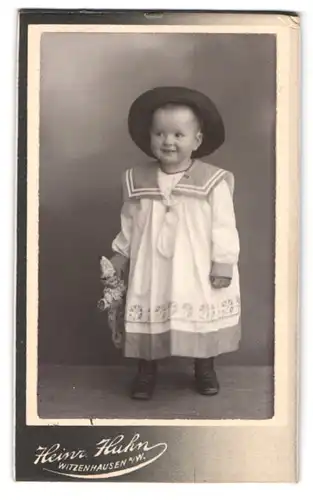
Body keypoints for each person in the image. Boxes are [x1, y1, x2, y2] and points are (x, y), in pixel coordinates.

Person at [110, 86, 241, 400]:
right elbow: (129, 221)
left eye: (178, 135)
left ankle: (204, 367)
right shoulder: (136, 180)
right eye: (160, 134)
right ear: (149, 138)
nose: (168, 141)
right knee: (147, 307)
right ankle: (146, 372)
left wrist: (223, 263)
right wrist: (119, 255)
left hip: (195, 265)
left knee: (200, 310)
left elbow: (224, 227)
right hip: (151, 265)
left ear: (197, 140)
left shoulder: (213, 181)